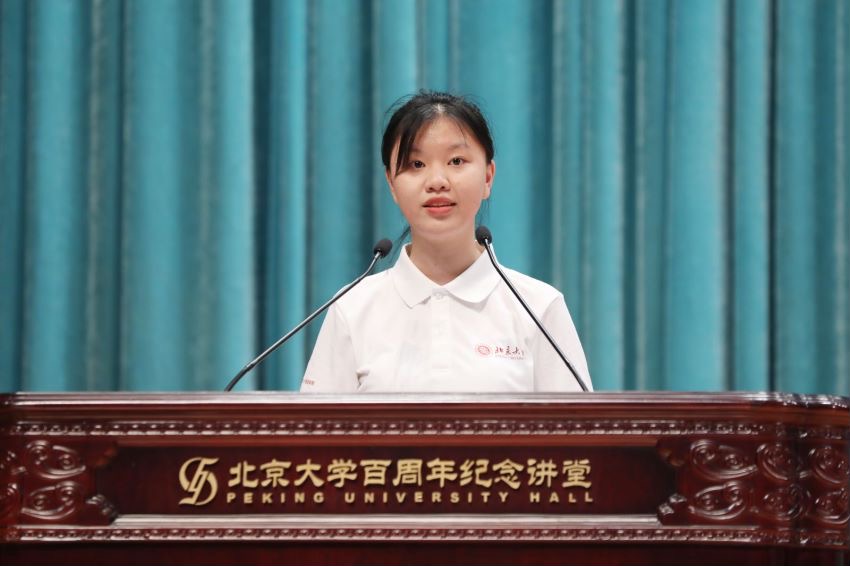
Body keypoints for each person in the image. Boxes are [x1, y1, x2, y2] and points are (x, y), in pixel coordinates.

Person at [300, 91, 591, 393]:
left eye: (456, 161)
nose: (437, 181)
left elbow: (580, 423)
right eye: (416, 164)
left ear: (488, 177)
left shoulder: (539, 307)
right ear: (391, 184)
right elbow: (315, 423)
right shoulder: (352, 308)